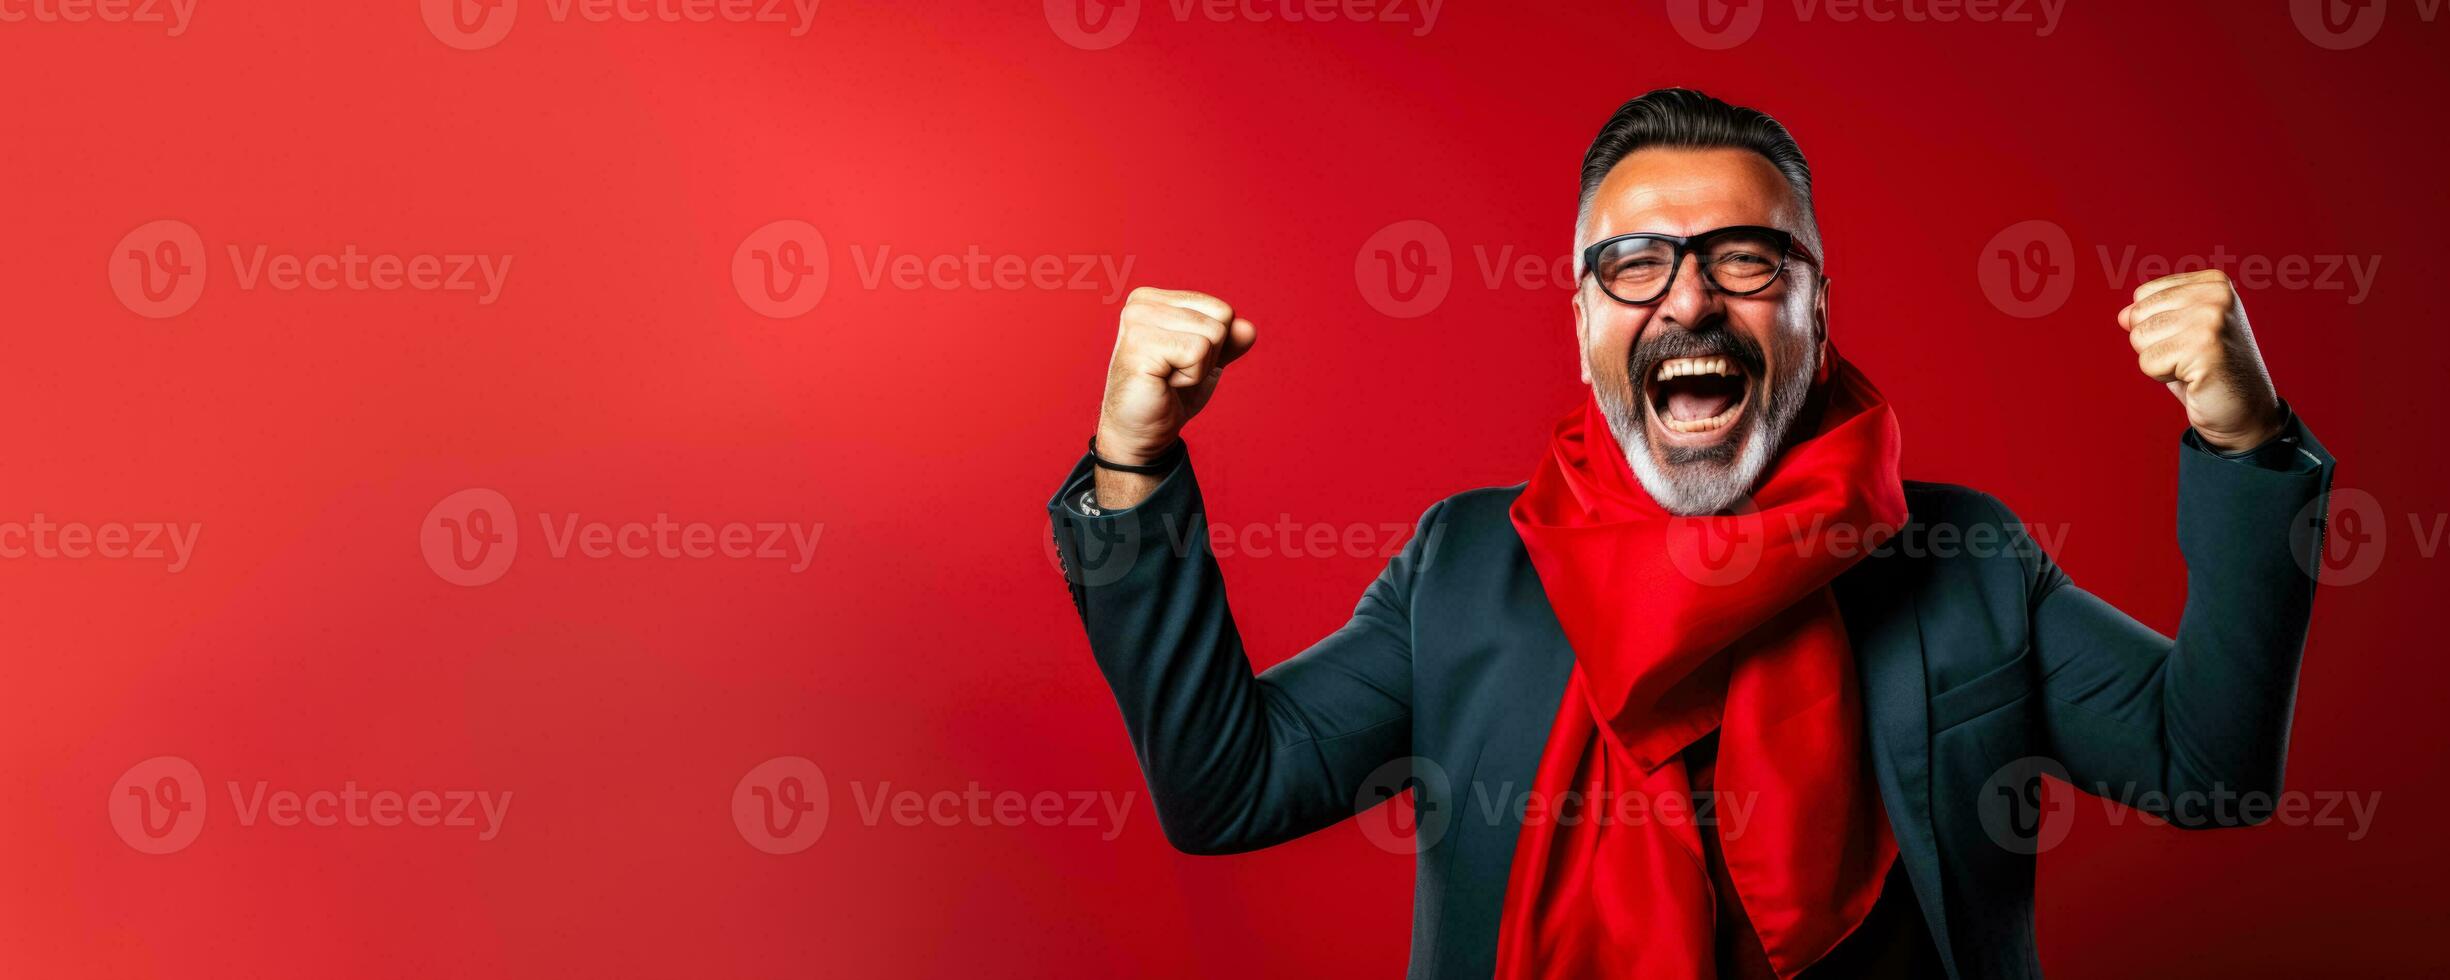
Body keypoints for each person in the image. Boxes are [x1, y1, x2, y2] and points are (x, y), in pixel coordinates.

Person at [1045, 88, 2334, 979]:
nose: (1691, 302)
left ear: (1818, 320)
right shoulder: (1466, 569)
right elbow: (1230, 791)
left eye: (1748, 262)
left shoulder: (1968, 564)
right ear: (1584, 324)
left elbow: (2207, 769)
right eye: (1636, 265)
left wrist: (2242, 443)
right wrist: (1133, 465)